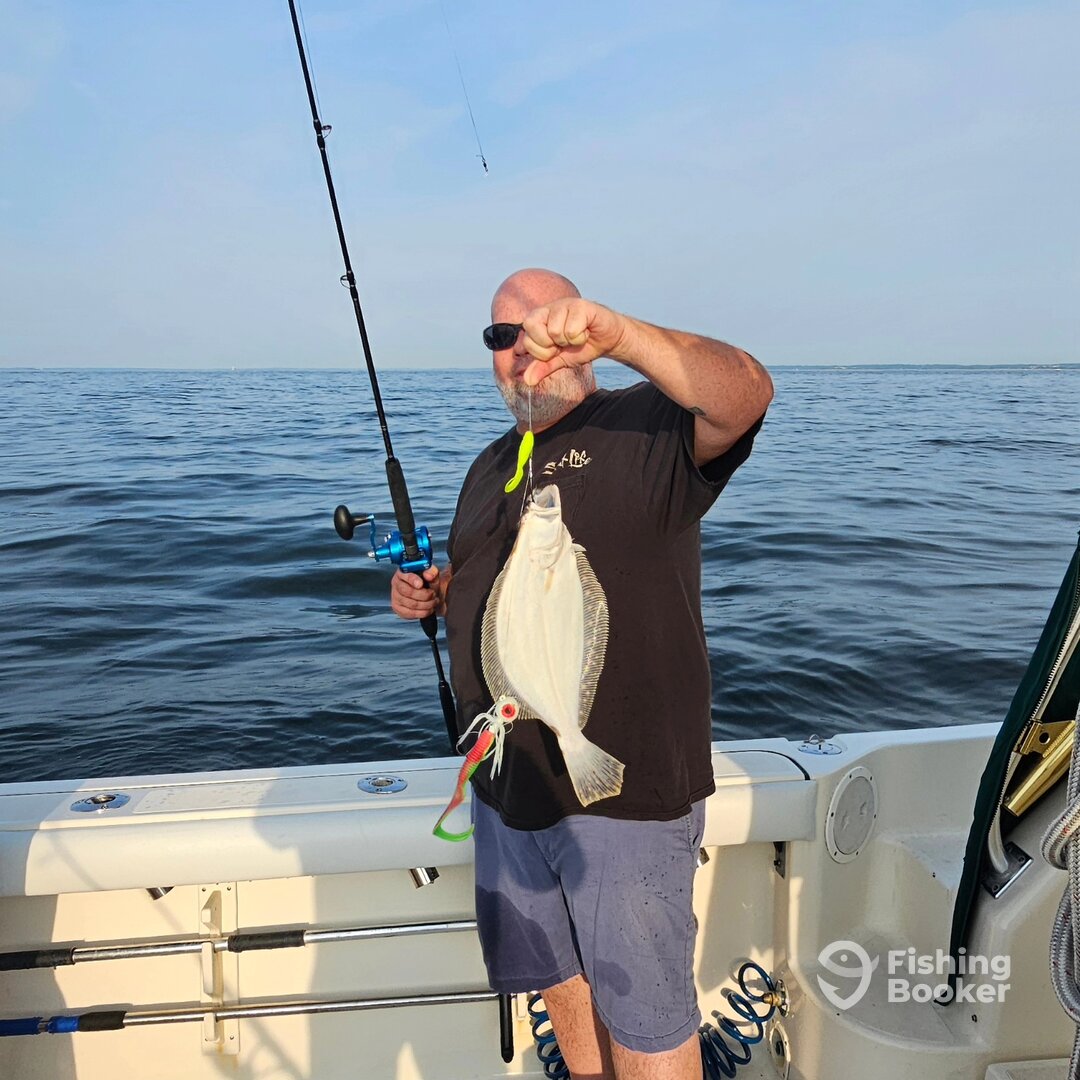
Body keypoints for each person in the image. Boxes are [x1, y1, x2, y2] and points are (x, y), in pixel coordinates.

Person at [391, 268, 772, 1080]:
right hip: (507, 787)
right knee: (560, 985)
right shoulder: (489, 465)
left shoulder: (644, 426)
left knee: (646, 1019)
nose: (523, 347)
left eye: (546, 326)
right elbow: (499, 590)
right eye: (502, 336)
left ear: (582, 337)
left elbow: (745, 393)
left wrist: (624, 334)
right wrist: (436, 593)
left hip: (624, 801)